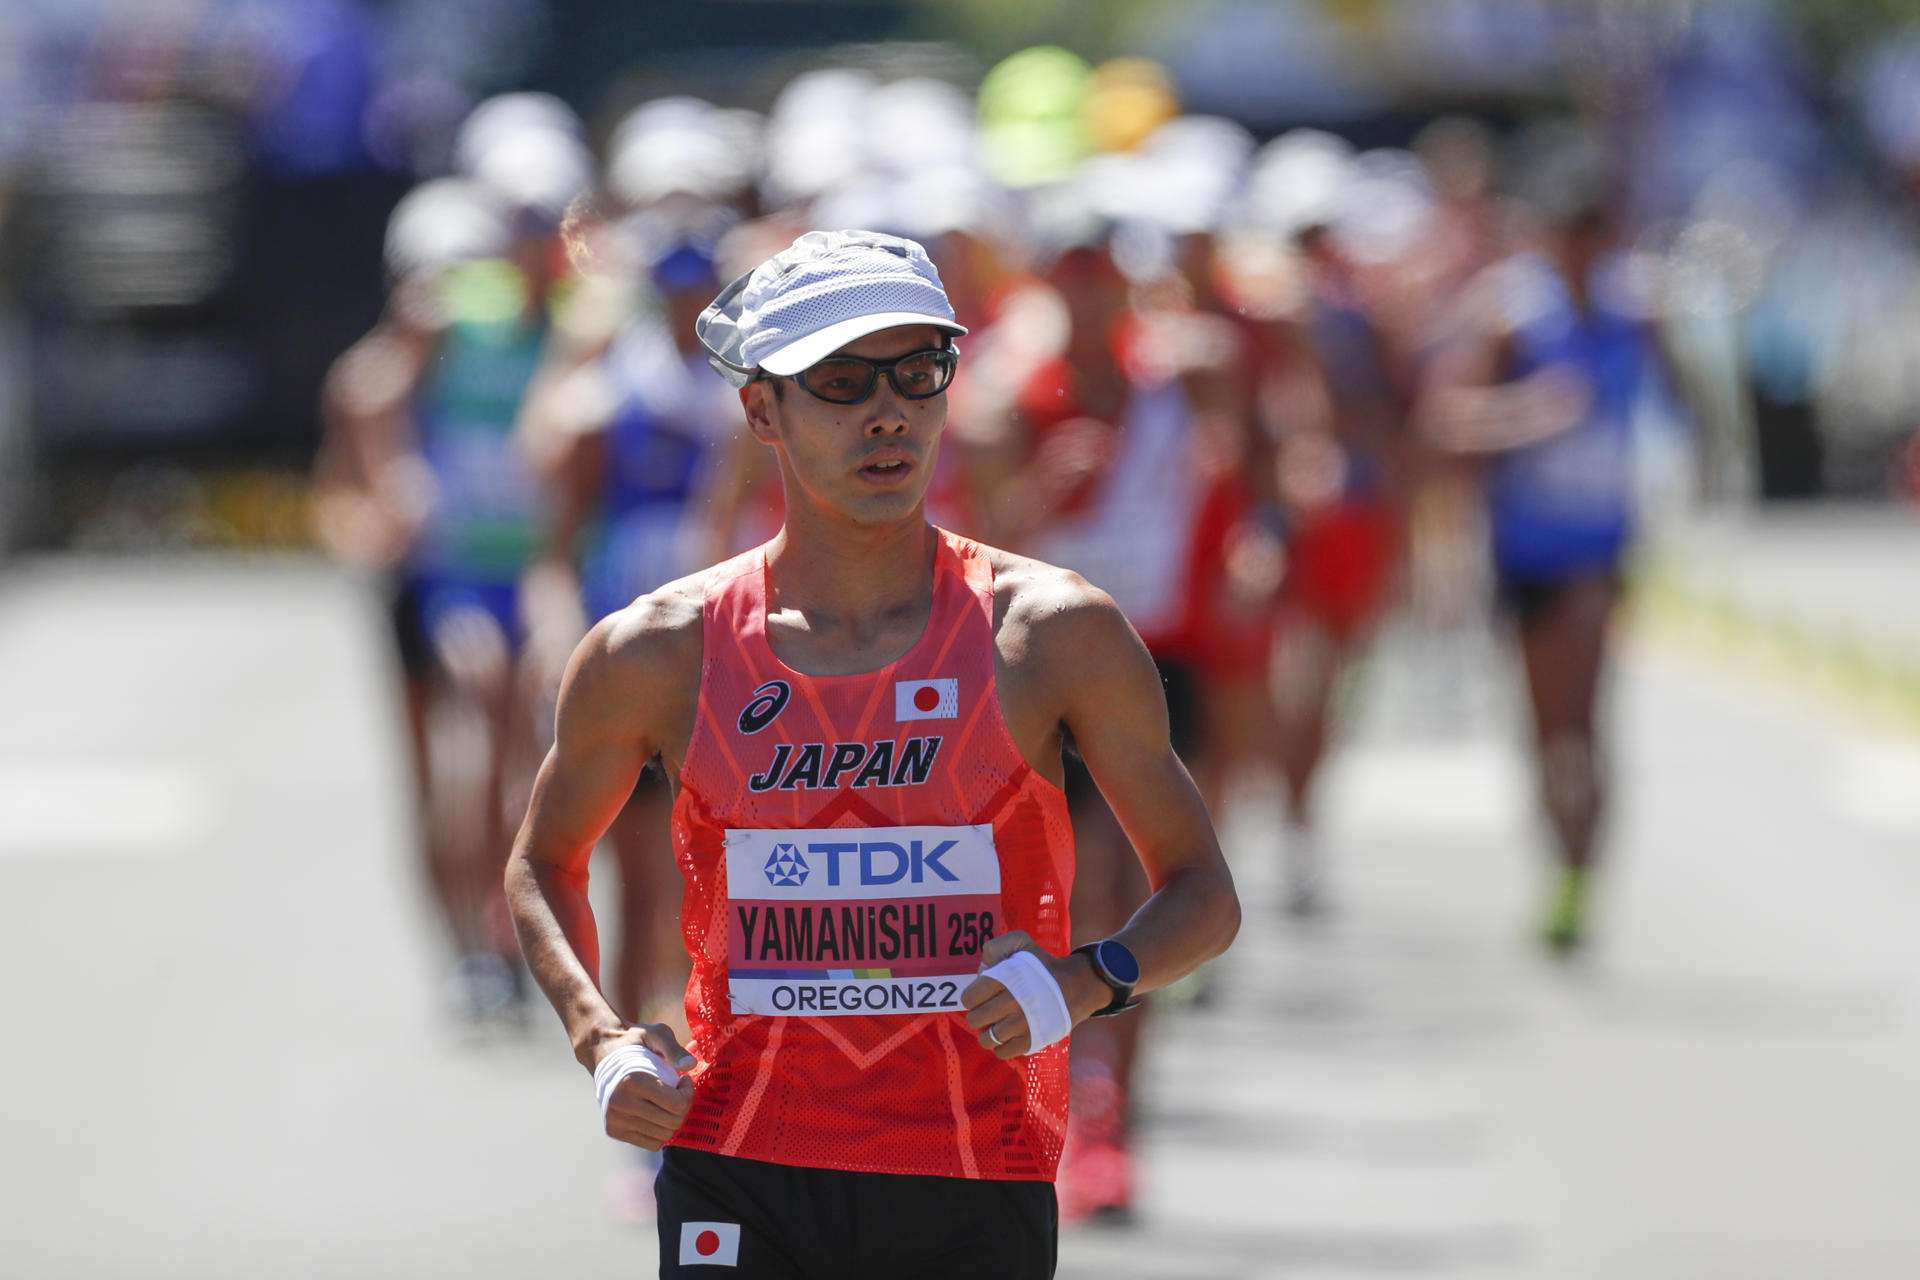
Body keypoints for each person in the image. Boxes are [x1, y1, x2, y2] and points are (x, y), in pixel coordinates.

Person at [505, 230, 1240, 1277]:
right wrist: (604, 1039)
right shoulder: (659, 649)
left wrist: (1088, 977)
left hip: (972, 1170)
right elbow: (541, 863)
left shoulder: (1049, 632)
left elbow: (1203, 890)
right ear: (764, 409)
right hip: (736, 1159)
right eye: (842, 381)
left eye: (919, 371)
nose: (888, 410)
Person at [1418, 180, 1672, 952]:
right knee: (1545, 728)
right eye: (1572, 234)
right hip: (1526, 548)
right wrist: (1530, 412)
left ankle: (1581, 881)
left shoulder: (1639, 314)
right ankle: (1560, 871)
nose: (1584, 252)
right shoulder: (1510, 316)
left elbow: (1681, 414)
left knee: (1585, 724)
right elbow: (1446, 420)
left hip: (1600, 548)